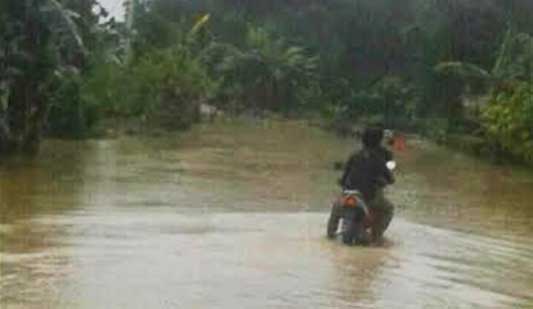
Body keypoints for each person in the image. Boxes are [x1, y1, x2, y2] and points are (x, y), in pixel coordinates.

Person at [340, 126, 395, 243]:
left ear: (363, 139)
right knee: (389, 208)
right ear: (379, 140)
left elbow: (344, 177)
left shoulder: (354, 155)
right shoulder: (380, 158)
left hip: (349, 193)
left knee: (336, 207)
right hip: (369, 196)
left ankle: (330, 233)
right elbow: (390, 178)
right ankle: (376, 237)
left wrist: (343, 183)